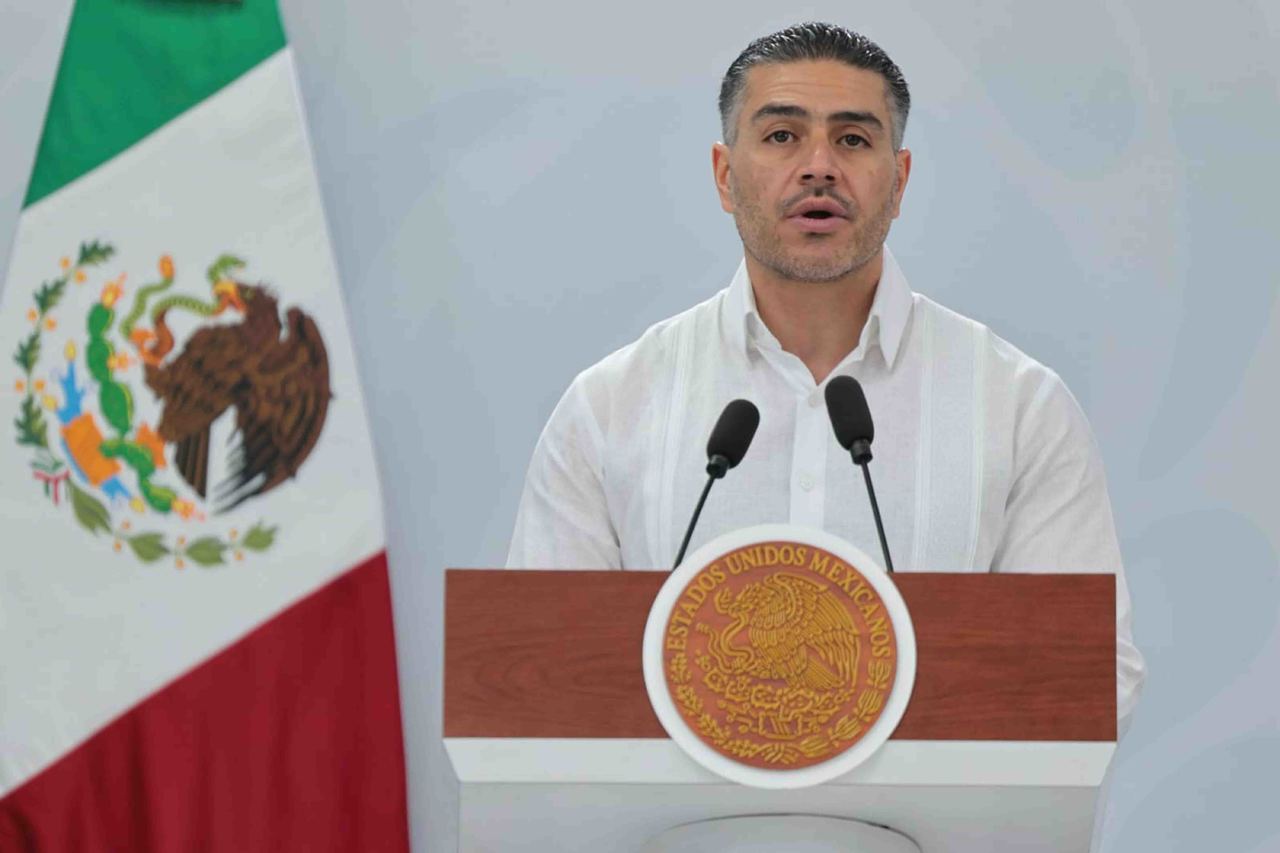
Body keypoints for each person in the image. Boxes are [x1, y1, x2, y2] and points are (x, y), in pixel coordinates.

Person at [505, 22, 1144, 728]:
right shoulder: (609, 408)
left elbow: (1087, 675)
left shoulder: (1019, 409)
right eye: (782, 136)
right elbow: (540, 678)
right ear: (724, 174)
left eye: (854, 139)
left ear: (899, 182)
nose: (819, 167)